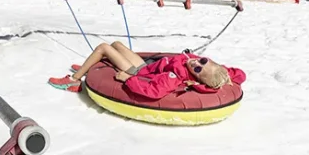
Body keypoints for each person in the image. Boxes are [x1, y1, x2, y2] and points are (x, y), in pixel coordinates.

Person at [47, 41, 245, 97]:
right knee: (116, 45)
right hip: (148, 66)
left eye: (198, 70)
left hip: (139, 73)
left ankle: (74, 81)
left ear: (197, 77)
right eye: (202, 61)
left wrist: (127, 78)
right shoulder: (195, 63)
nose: (196, 64)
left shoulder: (175, 76)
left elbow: (153, 91)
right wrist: (230, 77)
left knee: (103, 48)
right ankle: (88, 66)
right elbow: (238, 74)